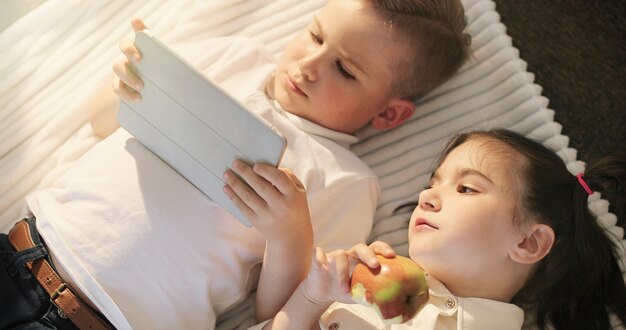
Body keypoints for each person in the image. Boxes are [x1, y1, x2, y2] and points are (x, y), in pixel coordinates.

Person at [0, 0, 471, 329]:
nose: (308, 63)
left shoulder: (346, 180)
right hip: (22, 248)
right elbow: (105, 122)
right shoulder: (236, 57)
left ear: (388, 113)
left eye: (345, 70)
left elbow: (281, 312)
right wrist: (129, 80)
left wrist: (289, 232)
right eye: (314, 35)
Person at [250, 129, 626, 330]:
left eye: (466, 188)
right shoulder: (374, 275)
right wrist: (313, 297)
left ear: (527, 242)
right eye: (434, 182)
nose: (427, 194)